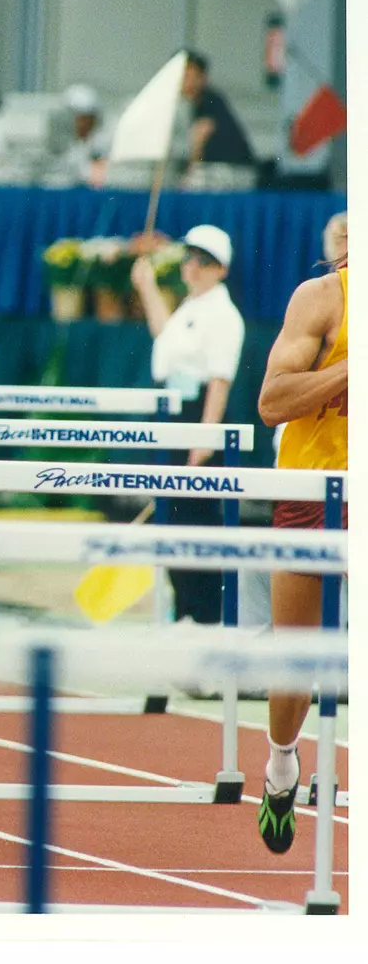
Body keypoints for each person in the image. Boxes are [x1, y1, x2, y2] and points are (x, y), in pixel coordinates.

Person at [253, 236, 348, 855]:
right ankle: (282, 762)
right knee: (296, 662)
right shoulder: (324, 298)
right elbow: (271, 403)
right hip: (313, 491)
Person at [130, 224, 245, 625]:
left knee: (195, 525)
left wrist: (205, 437)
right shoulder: (191, 307)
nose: (192, 267)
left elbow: (220, 378)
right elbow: (165, 336)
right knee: (172, 522)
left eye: (202, 261)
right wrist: (146, 287)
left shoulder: (223, 314)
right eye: (189, 258)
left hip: (197, 420)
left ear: (220, 269)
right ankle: (185, 615)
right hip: (171, 417)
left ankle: (206, 618)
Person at [180, 51, 255, 178]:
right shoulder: (193, 104)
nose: (183, 81)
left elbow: (198, 143)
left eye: (188, 76)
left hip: (233, 171)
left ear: (201, 78)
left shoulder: (209, 101)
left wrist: (188, 175)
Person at [51, 84, 108, 187]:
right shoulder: (60, 147)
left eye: (87, 119)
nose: (83, 124)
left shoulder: (101, 146)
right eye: (80, 119)